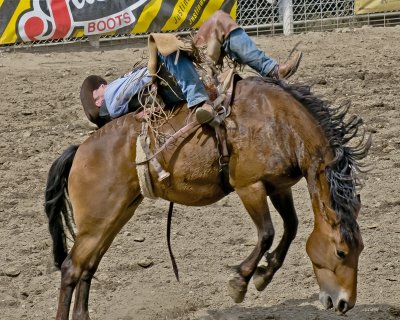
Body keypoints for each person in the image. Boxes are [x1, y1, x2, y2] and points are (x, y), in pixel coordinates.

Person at [81, 10, 302, 128]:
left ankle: (273, 69)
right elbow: (118, 117)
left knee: (219, 19)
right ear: (98, 102)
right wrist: (137, 114)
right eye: (97, 91)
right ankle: (198, 101)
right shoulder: (110, 100)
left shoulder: (116, 90)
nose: (102, 85)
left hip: (179, 73)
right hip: (165, 85)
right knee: (160, 43)